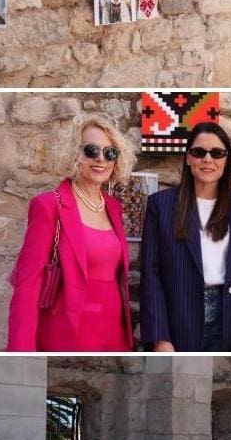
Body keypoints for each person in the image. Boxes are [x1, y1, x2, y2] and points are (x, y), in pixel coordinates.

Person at [8, 114, 135, 351]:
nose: (101, 159)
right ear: (73, 153)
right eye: (91, 150)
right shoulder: (49, 205)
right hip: (70, 329)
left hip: (114, 330)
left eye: (110, 153)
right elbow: (27, 284)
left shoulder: (113, 207)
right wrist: (20, 349)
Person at [141, 122, 231, 351]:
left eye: (217, 153)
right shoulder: (162, 206)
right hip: (178, 319)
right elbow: (150, 275)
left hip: (230, 319)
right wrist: (160, 338)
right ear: (188, 158)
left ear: (227, 160)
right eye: (199, 152)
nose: (208, 159)